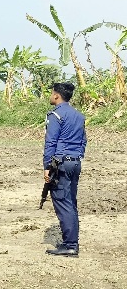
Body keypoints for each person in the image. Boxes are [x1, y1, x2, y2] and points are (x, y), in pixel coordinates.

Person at [43, 82, 87, 257]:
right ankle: (71, 241)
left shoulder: (55, 115)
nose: (50, 96)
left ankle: (70, 245)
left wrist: (47, 166)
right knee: (71, 201)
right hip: (75, 162)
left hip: (61, 163)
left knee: (63, 202)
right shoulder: (79, 116)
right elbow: (84, 141)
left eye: (51, 93)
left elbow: (51, 143)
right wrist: (77, 156)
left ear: (56, 96)